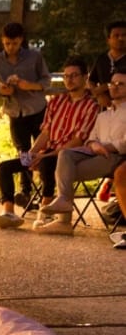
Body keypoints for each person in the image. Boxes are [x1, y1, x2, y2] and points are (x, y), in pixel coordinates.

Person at [0, 56, 97, 229]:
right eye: (66, 76)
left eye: (74, 76)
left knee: (47, 163)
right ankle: (9, 213)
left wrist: (43, 156)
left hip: (69, 157)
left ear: (85, 77)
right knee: (4, 167)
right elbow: (46, 133)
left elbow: (77, 141)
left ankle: (45, 213)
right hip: (46, 152)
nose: (69, 80)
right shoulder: (57, 101)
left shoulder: (90, 106)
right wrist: (32, 153)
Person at [36, 72, 126, 234]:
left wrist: (104, 146)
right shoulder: (103, 115)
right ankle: (64, 204)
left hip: (116, 157)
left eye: (121, 84)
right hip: (95, 153)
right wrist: (93, 144)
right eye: (113, 83)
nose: (115, 87)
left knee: (64, 172)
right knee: (65, 154)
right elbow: (91, 138)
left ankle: (64, 222)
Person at [0, 22, 50, 204]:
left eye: (14, 43)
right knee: (23, 153)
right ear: (2, 41)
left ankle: (47, 190)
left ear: (21, 41)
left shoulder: (35, 57)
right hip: (15, 112)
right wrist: (4, 90)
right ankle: (26, 191)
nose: (10, 47)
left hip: (37, 109)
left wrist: (28, 85)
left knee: (43, 150)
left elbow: (46, 81)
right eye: (7, 43)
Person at [88, 20, 126, 108]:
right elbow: (91, 80)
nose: (121, 38)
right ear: (108, 40)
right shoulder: (102, 58)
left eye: (124, 35)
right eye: (116, 35)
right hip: (105, 108)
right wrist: (98, 95)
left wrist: (106, 86)